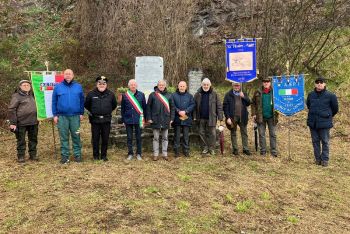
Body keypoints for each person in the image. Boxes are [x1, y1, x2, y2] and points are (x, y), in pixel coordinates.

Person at [52, 69, 84, 164]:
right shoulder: (58, 87)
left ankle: (77, 155)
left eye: (70, 74)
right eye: (66, 74)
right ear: (63, 75)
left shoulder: (78, 87)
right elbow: (54, 102)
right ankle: (65, 156)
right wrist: (55, 115)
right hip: (62, 117)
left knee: (76, 136)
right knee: (64, 137)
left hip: (75, 116)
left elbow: (82, 100)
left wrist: (81, 113)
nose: (68, 75)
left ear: (73, 75)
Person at [306, 76, 338, 167]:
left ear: (324, 84)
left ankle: (325, 160)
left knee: (325, 141)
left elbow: (335, 109)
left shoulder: (331, 96)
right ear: (315, 84)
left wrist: (327, 115)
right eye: (317, 82)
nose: (319, 84)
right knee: (315, 141)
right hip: (313, 122)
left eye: (321, 82)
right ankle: (317, 159)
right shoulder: (311, 95)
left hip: (324, 123)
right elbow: (309, 105)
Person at [84, 76, 117, 161]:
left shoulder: (111, 94)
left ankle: (103, 156)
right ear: (97, 84)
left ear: (106, 84)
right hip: (95, 120)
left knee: (105, 138)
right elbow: (87, 105)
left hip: (106, 120)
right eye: (100, 83)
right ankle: (95, 156)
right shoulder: (91, 94)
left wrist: (106, 111)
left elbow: (114, 105)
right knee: (95, 139)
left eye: (104, 83)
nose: (102, 85)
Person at [8, 80, 39, 163]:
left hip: (33, 121)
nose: (26, 86)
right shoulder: (16, 96)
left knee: (33, 139)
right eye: (24, 85)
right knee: (21, 140)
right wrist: (13, 123)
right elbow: (12, 109)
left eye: (28, 85)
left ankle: (33, 155)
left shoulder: (34, 95)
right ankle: (21, 156)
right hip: (21, 122)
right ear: (20, 87)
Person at [193, 78, 224, 156]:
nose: (206, 86)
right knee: (201, 133)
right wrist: (194, 117)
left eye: (207, 85)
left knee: (212, 134)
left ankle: (212, 148)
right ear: (202, 85)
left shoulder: (215, 94)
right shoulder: (197, 94)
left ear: (210, 85)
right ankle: (205, 147)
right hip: (201, 118)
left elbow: (219, 107)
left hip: (212, 118)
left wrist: (220, 119)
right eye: (204, 84)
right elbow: (194, 107)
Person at [146, 80, 175, 161]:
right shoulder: (152, 95)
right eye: (160, 85)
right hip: (155, 119)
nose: (161, 86)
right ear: (157, 86)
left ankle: (165, 154)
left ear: (165, 86)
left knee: (165, 137)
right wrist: (149, 118)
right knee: (156, 138)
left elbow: (172, 108)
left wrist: (172, 118)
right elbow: (148, 107)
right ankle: (156, 154)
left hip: (166, 119)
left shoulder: (169, 95)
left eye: (163, 85)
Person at [251, 77, 279, 157]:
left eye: (267, 82)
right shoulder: (257, 92)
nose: (266, 83)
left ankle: (273, 151)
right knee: (261, 134)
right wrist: (253, 114)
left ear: (270, 83)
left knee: (273, 134)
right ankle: (263, 150)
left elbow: (280, 101)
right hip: (260, 117)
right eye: (264, 82)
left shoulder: (275, 92)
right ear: (262, 83)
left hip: (272, 117)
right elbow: (253, 103)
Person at [121, 79, 147, 160]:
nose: (133, 86)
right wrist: (123, 120)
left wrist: (145, 119)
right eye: (131, 85)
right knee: (129, 137)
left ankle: (139, 153)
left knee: (138, 137)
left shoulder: (141, 95)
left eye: (134, 84)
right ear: (129, 86)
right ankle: (130, 153)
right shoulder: (125, 95)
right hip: (128, 119)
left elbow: (144, 108)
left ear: (136, 85)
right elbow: (123, 109)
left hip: (138, 120)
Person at [223, 81, 251, 156]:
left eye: (238, 86)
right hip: (233, 117)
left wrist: (243, 97)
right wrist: (227, 117)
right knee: (233, 132)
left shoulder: (243, 93)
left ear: (240, 86)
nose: (236, 87)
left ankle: (245, 149)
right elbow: (225, 107)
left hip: (243, 116)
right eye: (235, 86)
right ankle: (235, 149)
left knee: (244, 133)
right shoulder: (228, 95)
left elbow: (248, 103)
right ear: (232, 86)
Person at [172, 81, 195, 157]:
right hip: (177, 118)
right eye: (180, 86)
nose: (182, 87)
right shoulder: (173, 95)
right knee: (177, 136)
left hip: (186, 118)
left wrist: (186, 111)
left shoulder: (190, 96)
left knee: (186, 136)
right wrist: (178, 111)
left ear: (186, 87)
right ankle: (176, 151)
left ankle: (186, 150)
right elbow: (172, 105)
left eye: (183, 86)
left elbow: (192, 105)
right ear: (178, 87)